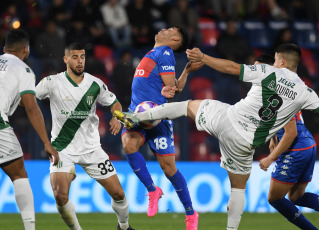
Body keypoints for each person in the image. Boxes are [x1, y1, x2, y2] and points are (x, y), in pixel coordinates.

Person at [115, 43, 319, 230]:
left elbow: (231, 68)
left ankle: (136, 117)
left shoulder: (269, 72)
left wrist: (204, 56)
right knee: (238, 189)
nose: (274, 63)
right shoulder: (307, 93)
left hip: (227, 119)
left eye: (275, 60)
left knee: (185, 106)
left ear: (281, 62)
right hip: (246, 143)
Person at [35, 42, 135, 230]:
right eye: (75, 57)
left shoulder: (95, 83)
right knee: (60, 196)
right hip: (62, 148)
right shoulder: (52, 82)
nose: (80, 61)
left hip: (92, 149)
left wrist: (116, 116)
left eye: (82, 57)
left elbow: (115, 103)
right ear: (65, 59)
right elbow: (29, 98)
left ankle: (124, 226)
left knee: (119, 194)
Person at [118, 26, 203, 230]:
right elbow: (175, 86)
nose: (163, 28)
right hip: (138, 113)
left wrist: (168, 89)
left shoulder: (165, 52)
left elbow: (172, 89)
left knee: (168, 168)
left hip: (157, 117)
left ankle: (191, 213)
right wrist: (186, 72)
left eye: (170, 29)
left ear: (174, 39)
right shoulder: (154, 53)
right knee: (129, 145)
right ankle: (152, 190)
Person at [0, 29, 59, 230]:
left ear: (4, 48)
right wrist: (45, 142)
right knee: (18, 174)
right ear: (26, 50)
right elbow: (31, 107)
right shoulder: (24, 70)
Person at [256, 55, 319, 229]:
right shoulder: (273, 88)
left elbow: (290, 133)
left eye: (259, 68)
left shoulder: (278, 91)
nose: (254, 72)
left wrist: (270, 158)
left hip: (296, 148)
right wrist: (273, 138)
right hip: (307, 145)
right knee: (296, 197)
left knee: (274, 198)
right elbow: (278, 120)